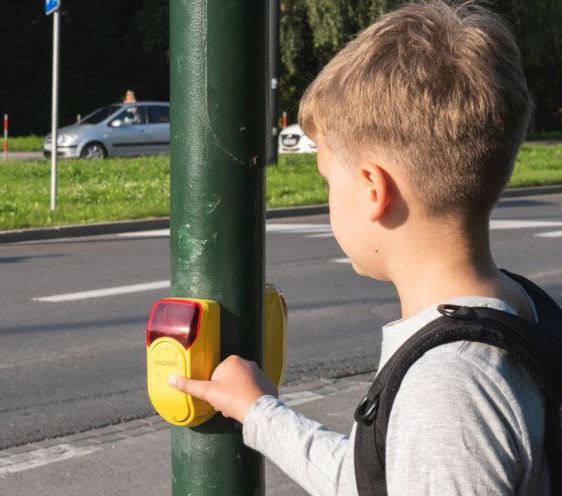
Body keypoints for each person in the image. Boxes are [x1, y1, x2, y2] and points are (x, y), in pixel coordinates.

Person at [169, 1, 554, 494]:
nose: (328, 197)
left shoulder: (449, 389)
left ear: (374, 189)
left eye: (329, 179)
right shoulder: (520, 309)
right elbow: (377, 475)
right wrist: (260, 413)